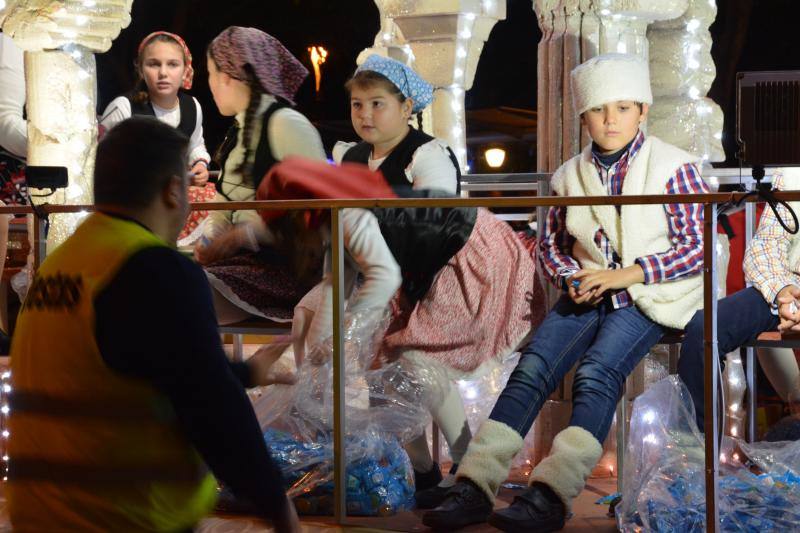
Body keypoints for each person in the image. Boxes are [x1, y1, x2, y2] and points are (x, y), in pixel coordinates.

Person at [423, 53, 709, 532]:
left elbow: (695, 249)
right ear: (584, 117)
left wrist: (630, 274)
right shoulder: (568, 175)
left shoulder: (675, 168)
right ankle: (475, 485)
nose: (610, 119)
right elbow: (551, 247)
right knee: (532, 365)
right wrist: (570, 277)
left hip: (650, 293)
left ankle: (551, 495)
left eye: (622, 107)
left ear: (642, 111)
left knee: (597, 372)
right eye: (599, 109)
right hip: (587, 288)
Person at [7, 117, 299, 532]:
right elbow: (212, 407)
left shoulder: (67, 263)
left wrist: (246, 372)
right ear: (174, 190)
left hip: (40, 514)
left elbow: (136, 368)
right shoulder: (152, 268)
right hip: (122, 515)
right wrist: (275, 502)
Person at [241, 156, 545, 509]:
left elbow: (383, 276)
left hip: (464, 253)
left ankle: (467, 467)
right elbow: (336, 284)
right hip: (431, 263)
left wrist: (344, 336)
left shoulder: (350, 215)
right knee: (385, 368)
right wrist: (318, 351)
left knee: (419, 360)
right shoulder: (336, 219)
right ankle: (424, 469)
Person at [195, 26, 326, 324]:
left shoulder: (285, 124)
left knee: (179, 294)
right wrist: (211, 240)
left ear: (228, 76)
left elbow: (317, 210)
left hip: (284, 270)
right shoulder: (238, 133)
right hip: (241, 264)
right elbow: (225, 202)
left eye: (212, 74)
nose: (212, 84)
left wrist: (246, 234)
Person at [679, 167, 800, 429]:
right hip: (790, 287)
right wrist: (782, 291)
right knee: (705, 329)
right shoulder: (792, 173)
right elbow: (765, 247)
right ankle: (699, 455)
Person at [99, 30, 214, 246]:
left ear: (185, 70)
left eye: (172, 64)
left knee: (213, 199)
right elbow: (102, 160)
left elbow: (196, 144)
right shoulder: (124, 107)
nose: (163, 73)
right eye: (154, 64)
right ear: (141, 69)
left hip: (172, 194)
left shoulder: (192, 107)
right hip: (132, 199)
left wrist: (199, 163)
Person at [333, 54, 460, 195]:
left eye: (376, 104)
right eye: (357, 104)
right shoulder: (352, 157)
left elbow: (433, 215)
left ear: (406, 108)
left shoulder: (429, 158)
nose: (364, 114)